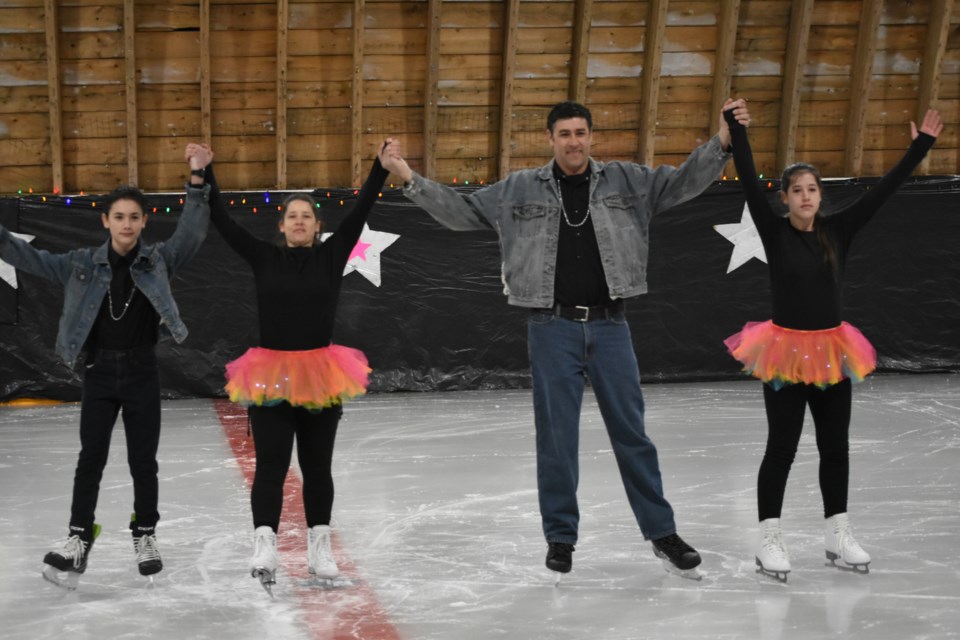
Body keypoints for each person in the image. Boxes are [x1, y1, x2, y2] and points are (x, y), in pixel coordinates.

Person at [380, 99, 751, 578]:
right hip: (551, 327)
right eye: (565, 134)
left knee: (633, 435)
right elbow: (462, 212)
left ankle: (662, 533)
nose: (574, 141)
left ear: (590, 137)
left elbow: (682, 183)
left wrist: (723, 141)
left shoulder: (627, 181)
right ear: (550, 140)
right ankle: (560, 539)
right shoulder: (518, 189)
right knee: (556, 439)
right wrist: (407, 176)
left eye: (581, 133)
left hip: (610, 325)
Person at [722, 106, 943, 582]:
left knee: (835, 447)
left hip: (831, 354)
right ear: (784, 198)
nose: (805, 196)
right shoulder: (774, 231)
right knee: (781, 448)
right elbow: (743, 176)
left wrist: (919, 147)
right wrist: (737, 127)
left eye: (812, 189)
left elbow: (882, 192)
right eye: (797, 190)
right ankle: (769, 538)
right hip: (783, 353)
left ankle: (836, 532)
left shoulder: (838, 230)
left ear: (821, 196)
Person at [0, 145, 213, 589]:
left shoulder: (157, 261)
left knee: (143, 461)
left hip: (141, 373)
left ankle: (146, 534)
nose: (127, 224)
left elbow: (190, 235)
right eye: (119, 217)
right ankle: (79, 538)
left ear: (142, 222)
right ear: (106, 222)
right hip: (98, 373)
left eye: (134, 217)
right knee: (90, 458)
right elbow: (25, 257)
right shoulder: (79, 264)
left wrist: (197, 178)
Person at [201, 141, 393, 594]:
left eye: (307, 216)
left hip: (321, 374)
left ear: (318, 226)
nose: (300, 221)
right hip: (270, 374)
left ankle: (319, 549)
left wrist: (379, 170)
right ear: (282, 226)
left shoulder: (332, 256)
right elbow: (223, 221)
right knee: (270, 464)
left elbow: (362, 209)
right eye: (292, 216)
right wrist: (205, 174)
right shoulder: (264, 257)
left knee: (317, 466)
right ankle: (264, 543)